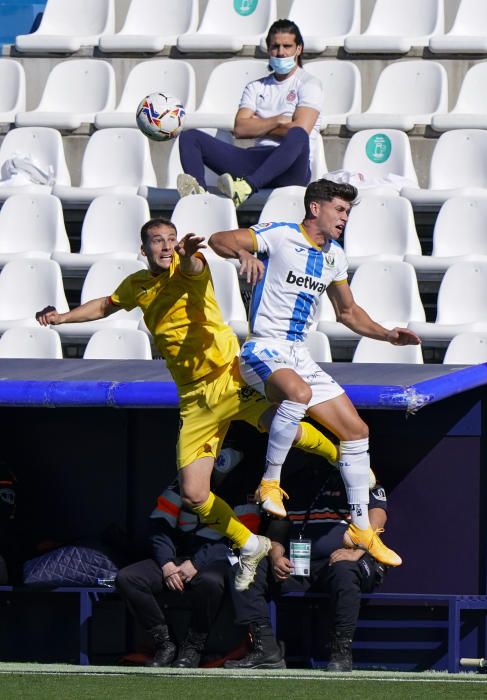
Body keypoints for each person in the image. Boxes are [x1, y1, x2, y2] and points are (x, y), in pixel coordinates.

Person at [36, 217, 343, 591]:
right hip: (195, 399)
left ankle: (338, 454)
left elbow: (195, 265)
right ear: (143, 249)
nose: (166, 247)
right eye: (157, 241)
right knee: (195, 494)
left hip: (229, 378)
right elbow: (105, 305)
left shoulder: (190, 268)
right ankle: (251, 544)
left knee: (287, 429)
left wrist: (190, 254)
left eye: (170, 240)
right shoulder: (137, 285)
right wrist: (62, 317)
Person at [208, 178, 422, 568]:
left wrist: (388, 334)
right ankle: (269, 482)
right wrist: (243, 253)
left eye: (348, 212)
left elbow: (348, 312)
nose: (345, 218)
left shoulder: (334, 256)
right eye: (340, 210)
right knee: (298, 394)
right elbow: (218, 238)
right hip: (263, 349)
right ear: (315, 209)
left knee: (357, 432)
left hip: (299, 355)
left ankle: (361, 528)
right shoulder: (280, 234)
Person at [224, 463, 389, 672]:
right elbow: (277, 532)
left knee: (345, 569)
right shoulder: (296, 480)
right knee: (244, 567)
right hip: (301, 566)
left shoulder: (359, 476)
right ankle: (265, 649)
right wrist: (276, 555)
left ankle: (341, 653)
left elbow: (377, 517)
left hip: (342, 563)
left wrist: (356, 550)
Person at [116, 463, 253, 668]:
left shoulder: (245, 487)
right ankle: (166, 645)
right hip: (176, 559)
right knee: (128, 578)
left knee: (210, 581)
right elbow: (159, 525)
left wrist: (197, 563)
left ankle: (192, 648)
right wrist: (167, 563)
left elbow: (244, 539)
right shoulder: (183, 479)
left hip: (216, 560)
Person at [176, 19, 323, 208]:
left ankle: (246, 188)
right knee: (190, 137)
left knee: (298, 135)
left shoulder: (309, 84)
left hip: (291, 167)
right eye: (275, 46)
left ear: (299, 49)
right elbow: (240, 128)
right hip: (255, 160)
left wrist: (258, 125)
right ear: (268, 49)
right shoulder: (256, 86)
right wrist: (279, 120)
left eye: (287, 46)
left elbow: (301, 128)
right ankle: (199, 199)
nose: (281, 52)